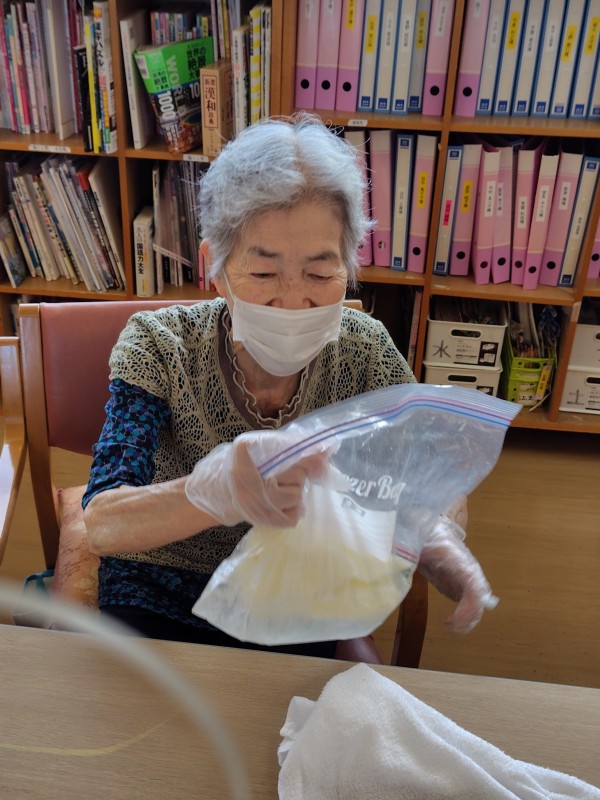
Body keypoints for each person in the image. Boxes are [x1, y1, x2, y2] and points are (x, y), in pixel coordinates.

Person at [83, 113, 494, 660]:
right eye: (264, 273)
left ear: (349, 267)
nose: (295, 300)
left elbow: (431, 468)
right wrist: (212, 492)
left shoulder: (364, 352)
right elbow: (102, 522)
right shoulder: (161, 346)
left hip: (298, 593)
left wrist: (438, 539)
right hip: (156, 590)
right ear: (215, 268)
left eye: (321, 274)